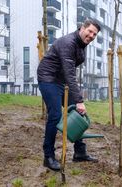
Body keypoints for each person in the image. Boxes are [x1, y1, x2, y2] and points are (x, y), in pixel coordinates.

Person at [37, 19, 101, 171]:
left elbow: (69, 73)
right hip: (48, 78)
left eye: (94, 34)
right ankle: (48, 156)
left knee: (78, 113)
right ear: (82, 28)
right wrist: (78, 100)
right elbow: (70, 73)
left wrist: (78, 102)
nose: (91, 35)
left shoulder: (81, 45)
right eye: (90, 31)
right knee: (55, 115)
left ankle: (79, 152)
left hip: (60, 79)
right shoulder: (68, 43)